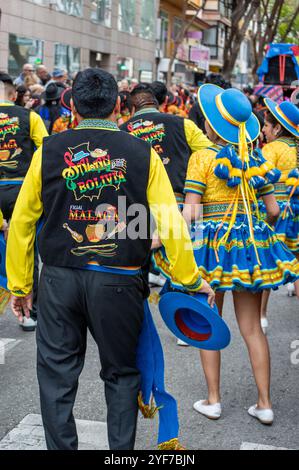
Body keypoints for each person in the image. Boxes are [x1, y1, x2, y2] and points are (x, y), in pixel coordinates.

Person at [6, 67, 215, 450]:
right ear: (119, 106)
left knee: (57, 377)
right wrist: (190, 279)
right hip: (119, 282)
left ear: (73, 106)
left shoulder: (50, 149)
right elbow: (170, 222)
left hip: (58, 279)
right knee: (121, 375)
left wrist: (20, 285)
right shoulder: (142, 152)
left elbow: (22, 222)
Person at [153, 85, 299, 424]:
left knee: (207, 320)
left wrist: (160, 237)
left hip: (210, 249)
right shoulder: (258, 157)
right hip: (250, 249)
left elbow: (190, 213)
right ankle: (265, 404)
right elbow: (274, 211)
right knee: (252, 329)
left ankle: (214, 400)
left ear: (212, 125)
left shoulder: (202, 158)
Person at [121, 82, 211, 295]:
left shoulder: (122, 132)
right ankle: (187, 320)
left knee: (135, 274)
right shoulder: (182, 124)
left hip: (136, 209)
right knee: (183, 268)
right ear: (159, 105)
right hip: (178, 207)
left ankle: (139, 318)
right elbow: (210, 156)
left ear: (132, 110)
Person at [0, 72, 48, 331]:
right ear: (14, 94)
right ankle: (30, 312)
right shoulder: (30, 117)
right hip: (22, 189)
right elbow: (46, 150)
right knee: (28, 249)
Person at [259, 99, 299, 329]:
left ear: (277, 128)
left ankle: (262, 316)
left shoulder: (272, 149)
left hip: (278, 210)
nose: (263, 129)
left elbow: (262, 180)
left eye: (266, 125)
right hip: (297, 210)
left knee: (268, 262)